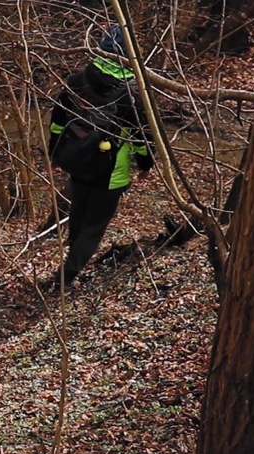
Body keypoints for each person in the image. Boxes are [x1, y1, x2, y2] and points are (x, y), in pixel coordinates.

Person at [42, 26, 153, 289]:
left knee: (78, 216)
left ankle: (67, 266)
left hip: (76, 163)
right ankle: (66, 276)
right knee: (93, 227)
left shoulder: (77, 81)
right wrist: (145, 165)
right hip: (111, 173)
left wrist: (55, 155)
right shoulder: (133, 95)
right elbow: (142, 138)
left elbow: (57, 122)